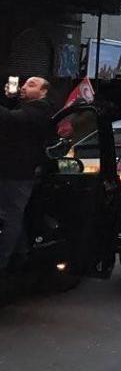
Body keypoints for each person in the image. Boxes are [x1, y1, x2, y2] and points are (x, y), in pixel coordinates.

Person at [0, 76, 54, 271]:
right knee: (13, 215)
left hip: (18, 173)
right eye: (24, 83)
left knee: (10, 217)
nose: (24, 87)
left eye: (31, 85)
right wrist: (9, 99)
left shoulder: (41, 110)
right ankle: (21, 253)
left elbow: (12, 121)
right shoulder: (24, 107)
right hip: (9, 169)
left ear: (43, 92)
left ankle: (4, 261)